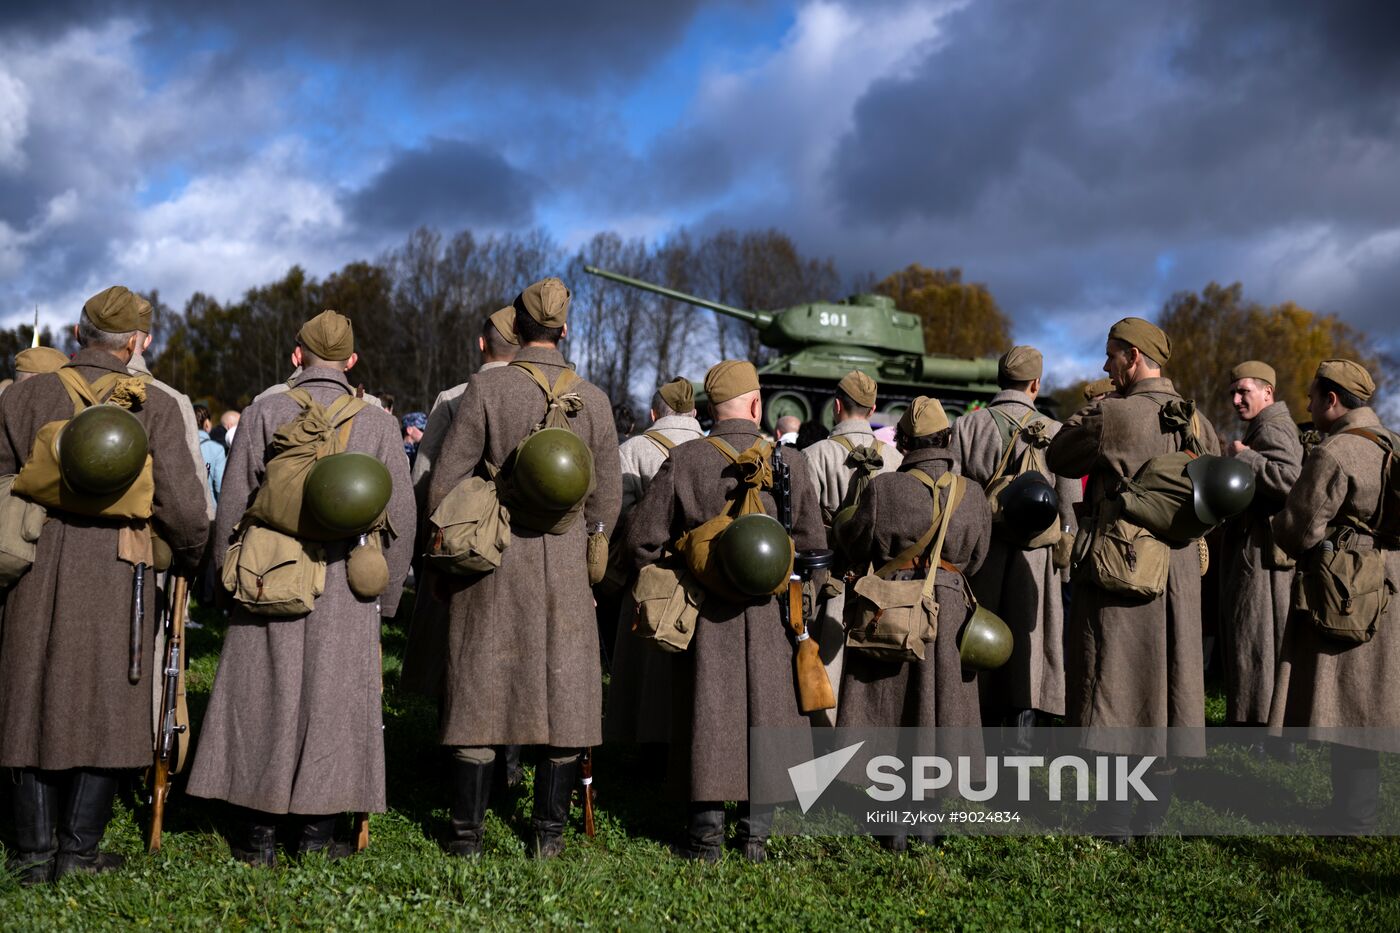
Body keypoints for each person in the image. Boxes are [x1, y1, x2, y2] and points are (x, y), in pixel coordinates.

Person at [185, 310, 415, 865]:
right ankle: (316, 836)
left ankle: (258, 835)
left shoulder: (265, 409)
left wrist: (224, 581)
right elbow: (401, 516)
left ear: (296, 355)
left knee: (263, 695)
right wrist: (383, 599)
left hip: (268, 575)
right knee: (334, 704)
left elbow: (235, 504)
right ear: (352, 362)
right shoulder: (380, 424)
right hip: (346, 581)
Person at [0, 286, 209, 883]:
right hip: (121, 569)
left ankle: (31, 853)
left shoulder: (24, 395)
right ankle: (78, 850)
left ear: (76, 333)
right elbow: (190, 515)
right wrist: (188, 559)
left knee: (28, 692)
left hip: (31, 559)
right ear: (139, 343)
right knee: (108, 701)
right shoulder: (157, 405)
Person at [427, 277, 621, 859]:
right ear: (564, 330)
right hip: (563, 566)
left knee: (479, 699)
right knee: (566, 702)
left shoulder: (486, 392)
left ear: (517, 324)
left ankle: (465, 839)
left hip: (493, 562)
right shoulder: (597, 399)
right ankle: (549, 838)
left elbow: (444, 483)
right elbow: (607, 501)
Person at [627, 360, 825, 863]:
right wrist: (805, 603)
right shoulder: (790, 462)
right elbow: (813, 549)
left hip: (703, 612)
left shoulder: (687, 459)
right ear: (757, 405)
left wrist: (683, 570)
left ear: (709, 409)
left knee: (706, 714)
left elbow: (642, 540)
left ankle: (704, 838)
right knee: (767, 713)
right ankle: (754, 838)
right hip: (775, 614)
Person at [1045, 317, 1221, 840]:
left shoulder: (1113, 415)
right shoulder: (1198, 422)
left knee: (1114, 688)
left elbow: (1059, 454)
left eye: (1111, 355)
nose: (1105, 365)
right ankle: (1151, 821)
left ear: (1134, 357)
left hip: (1120, 569)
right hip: (1181, 572)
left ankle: (1115, 821)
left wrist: (1091, 412)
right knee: (1169, 691)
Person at [835, 396, 992, 850]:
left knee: (893, 715)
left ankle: (893, 826)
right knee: (941, 714)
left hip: (894, 608)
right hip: (950, 608)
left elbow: (855, 542)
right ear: (947, 441)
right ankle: (930, 823)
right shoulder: (973, 495)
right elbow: (977, 560)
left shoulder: (884, 489)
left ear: (902, 442)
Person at [1269, 359, 1398, 833]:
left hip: (1345, 586)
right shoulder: (1393, 444)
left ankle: (1352, 814)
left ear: (1332, 400)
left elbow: (1299, 529)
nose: (1305, 404)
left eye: (1311, 396)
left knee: (1348, 698)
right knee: (1369, 700)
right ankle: (1356, 809)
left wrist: (1273, 526)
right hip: (1389, 581)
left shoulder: (1335, 451)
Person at [950, 347, 1079, 748]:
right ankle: (1020, 745)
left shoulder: (967, 427)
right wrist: (1065, 556)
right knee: (1031, 648)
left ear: (999, 381)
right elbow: (1070, 504)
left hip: (981, 554)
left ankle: (977, 741)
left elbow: (955, 495)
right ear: (1036, 385)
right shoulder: (1056, 432)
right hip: (1035, 559)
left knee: (977, 642)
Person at [400, 306, 518, 702]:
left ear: (481, 344)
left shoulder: (452, 399)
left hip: (463, 541)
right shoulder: (547, 398)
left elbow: (425, 478)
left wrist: (424, 549)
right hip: (524, 542)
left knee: (458, 655)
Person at [604, 377, 705, 748]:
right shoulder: (712, 449)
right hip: (699, 576)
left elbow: (618, 516)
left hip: (646, 574)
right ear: (695, 412)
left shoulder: (633, 449)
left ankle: (641, 742)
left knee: (641, 670)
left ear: (652, 413)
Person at [800, 370, 904, 727]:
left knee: (825, 660)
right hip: (880, 584)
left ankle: (823, 728)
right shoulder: (895, 461)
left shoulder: (812, 456)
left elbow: (803, 527)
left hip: (828, 578)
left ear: (837, 406)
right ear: (873, 408)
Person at [1217, 362, 1302, 733]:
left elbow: (1291, 481)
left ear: (1268, 392)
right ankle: (1261, 723)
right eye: (1233, 393)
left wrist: (1245, 457)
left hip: (1265, 553)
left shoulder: (1273, 426)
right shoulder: (1264, 426)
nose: (1236, 400)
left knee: (1258, 638)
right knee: (1255, 635)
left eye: (1244, 391)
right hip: (1258, 548)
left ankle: (1258, 728)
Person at [193, 404, 227, 504]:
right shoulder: (216, 449)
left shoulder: (176, 446)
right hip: (209, 510)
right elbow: (220, 486)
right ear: (207, 423)